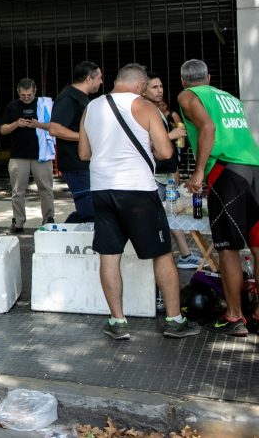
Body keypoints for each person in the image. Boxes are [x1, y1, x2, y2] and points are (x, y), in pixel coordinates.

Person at [78, 63, 199, 340]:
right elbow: (166, 151)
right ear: (140, 85)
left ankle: (117, 322)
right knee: (161, 253)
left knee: (109, 255)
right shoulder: (145, 107)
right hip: (137, 191)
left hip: (101, 190)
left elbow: (84, 153)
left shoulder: (91, 108)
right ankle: (174, 320)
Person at [177, 58, 259, 336]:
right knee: (258, 246)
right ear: (209, 77)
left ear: (183, 80)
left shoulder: (188, 95)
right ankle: (257, 312)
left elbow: (208, 129)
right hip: (254, 167)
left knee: (228, 248)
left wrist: (198, 172)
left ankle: (235, 316)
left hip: (227, 171)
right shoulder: (229, 97)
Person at [141, 73, 198, 269]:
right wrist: (171, 135)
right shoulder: (143, 111)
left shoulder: (158, 111)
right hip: (153, 177)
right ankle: (155, 262)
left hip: (166, 174)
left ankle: (185, 255)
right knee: (156, 220)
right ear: (143, 90)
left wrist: (174, 171)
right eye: (154, 87)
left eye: (161, 86)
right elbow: (142, 144)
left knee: (171, 215)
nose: (160, 90)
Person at [49, 61, 104, 222]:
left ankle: (62, 238)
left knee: (89, 210)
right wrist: (85, 137)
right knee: (89, 210)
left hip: (84, 163)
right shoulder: (69, 97)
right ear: (89, 79)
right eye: (99, 78)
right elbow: (55, 129)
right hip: (76, 165)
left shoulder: (81, 97)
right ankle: (61, 240)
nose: (101, 82)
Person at [0, 78, 55, 233]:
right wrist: (17, 123)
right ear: (18, 92)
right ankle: (18, 221)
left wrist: (39, 125)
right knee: (17, 191)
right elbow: (3, 130)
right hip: (18, 155)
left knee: (46, 189)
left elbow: (56, 127)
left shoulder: (44, 105)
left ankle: (48, 219)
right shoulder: (11, 107)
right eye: (23, 95)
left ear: (35, 91)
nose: (26, 97)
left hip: (42, 155)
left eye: (29, 95)